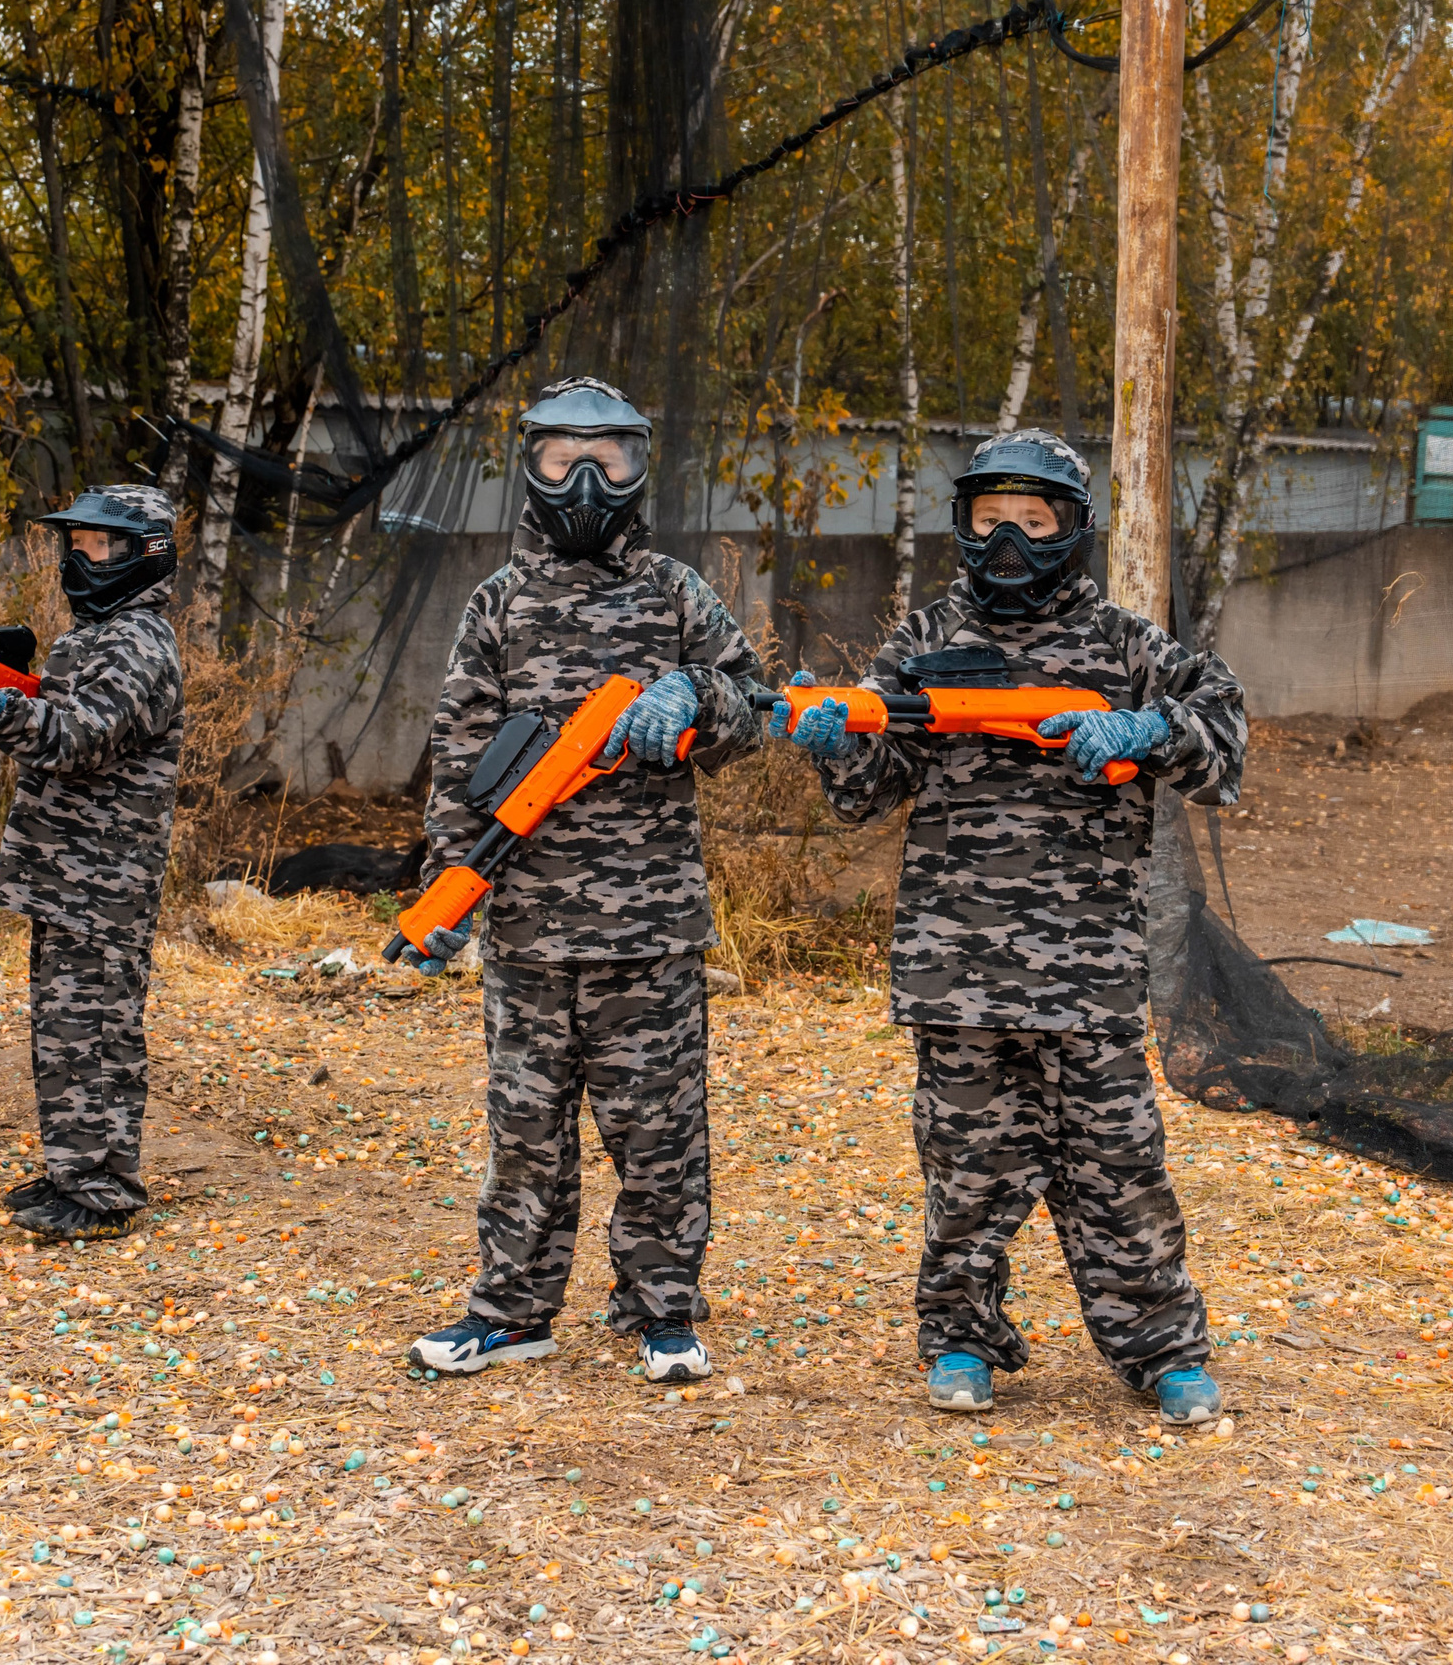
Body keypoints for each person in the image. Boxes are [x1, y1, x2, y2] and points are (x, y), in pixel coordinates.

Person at [776, 430, 1246, 1424]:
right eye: (990, 520)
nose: (1008, 542)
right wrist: (833, 743)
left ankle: (1162, 1350)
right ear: (963, 524)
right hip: (956, 966)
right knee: (966, 1169)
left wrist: (1148, 727)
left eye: (1033, 523)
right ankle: (958, 1335)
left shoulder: (1124, 645)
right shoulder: (923, 643)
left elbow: (1224, 732)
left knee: (1117, 1165)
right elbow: (868, 794)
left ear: (1072, 529)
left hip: (1089, 972)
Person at [403, 376, 765, 1384]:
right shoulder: (500, 603)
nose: (587, 478)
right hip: (524, 921)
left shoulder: (672, 592)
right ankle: (512, 1310)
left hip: (649, 923)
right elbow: (459, 756)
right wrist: (446, 895)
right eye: (564, 455)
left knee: (658, 1130)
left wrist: (695, 694)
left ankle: (660, 1310)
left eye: (611, 455)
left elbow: (756, 704)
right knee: (524, 1134)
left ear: (640, 466)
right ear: (529, 464)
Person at [0, 485, 185, 1242]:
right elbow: (61, 718)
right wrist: (7, 680)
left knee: (96, 1029)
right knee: (66, 1030)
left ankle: (104, 1190)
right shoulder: (97, 637)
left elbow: (75, 740)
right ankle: (77, 1171)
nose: (80, 557)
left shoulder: (138, 644)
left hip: (104, 878)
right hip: (69, 871)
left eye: (97, 545)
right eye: (74, 543)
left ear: (144, 554)